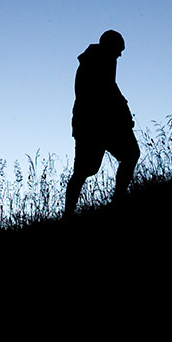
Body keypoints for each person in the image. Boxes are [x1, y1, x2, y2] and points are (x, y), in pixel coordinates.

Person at [64, 30, 139, 217]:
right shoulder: (97, 61)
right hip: (95, 125)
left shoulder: (98, 59)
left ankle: (116, 199)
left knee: (129, 155)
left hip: (96, 123)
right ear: (110, 46)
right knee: (84, 171)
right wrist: (123, 113)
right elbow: (106, 91)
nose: (120, 55)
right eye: (119, 50)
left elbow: (110, 89)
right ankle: (70, 212)